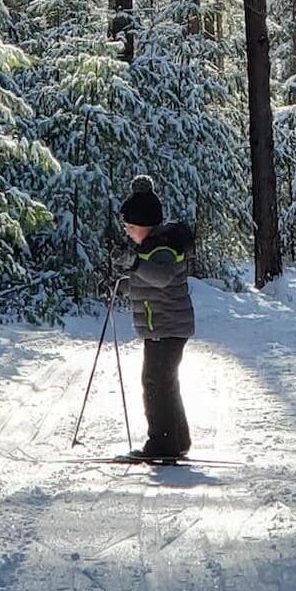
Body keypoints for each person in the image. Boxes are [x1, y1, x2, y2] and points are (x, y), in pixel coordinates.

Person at [115, 175, 194, 459]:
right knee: (165, 382)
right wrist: (121, 287)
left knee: (155, 384)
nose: (128, 232)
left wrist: (134, 264)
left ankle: (162, 443)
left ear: (145, 225)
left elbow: (160, 278)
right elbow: (147, 284)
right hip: (162, 326)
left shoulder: (161, 248)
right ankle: (177, 440)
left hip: (166, 327)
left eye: (131, 227)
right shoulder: (152, 249)